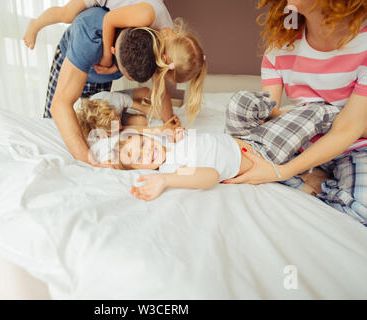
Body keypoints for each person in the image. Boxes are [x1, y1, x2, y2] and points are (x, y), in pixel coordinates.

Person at [225, 0, 367, 226]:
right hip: (301, 142)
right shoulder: (281, 45)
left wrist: (282, 172)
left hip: (355, 147)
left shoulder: (363, 43)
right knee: (244, 167)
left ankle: (317, 184)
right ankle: (310, 177)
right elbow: (267, 113)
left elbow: (349, 128)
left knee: (361, 212)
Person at [111, 90, 339, 201]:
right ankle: (342, 119)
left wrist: (179, 136)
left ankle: (278, 115)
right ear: (141, 170)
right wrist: (165, 179)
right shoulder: (172, 169)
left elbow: (198, 143)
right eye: (137, 157)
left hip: (238, 136)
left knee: (240, 101)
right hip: (262, 153)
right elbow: (210, 175)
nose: (146, 150)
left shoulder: (171, 145)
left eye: (142, 143)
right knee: (313, 113)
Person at [24, 0, 207, 123]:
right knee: (67, 14)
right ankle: (36, 23)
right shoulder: (147, 16)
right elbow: (109, 19)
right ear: (166, 60)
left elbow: (160, 89)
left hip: (122, 11)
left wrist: (169, 122)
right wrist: (106, 59)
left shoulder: (167, 42)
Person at [43, 7, 175, 168]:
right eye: (124, 74)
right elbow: (59, 105)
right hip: (77, 58)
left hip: (105, 62)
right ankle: (36, 25)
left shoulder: (150, 39)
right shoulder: (88, 37)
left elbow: (160, 84)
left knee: (99, 126)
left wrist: (169, 122)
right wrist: (90, 162)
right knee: (55, 127)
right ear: (114, 53)